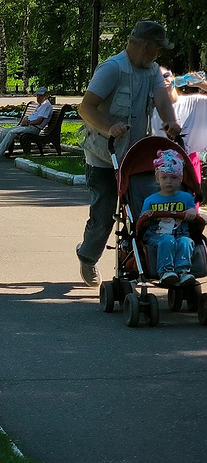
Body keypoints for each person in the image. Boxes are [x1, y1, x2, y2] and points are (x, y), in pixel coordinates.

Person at [76, 20, 182, 287]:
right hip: (103, 156)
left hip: (135, 157)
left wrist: (170, 123)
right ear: (146, 46)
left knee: (143, 212)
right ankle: (88, 256)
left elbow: (161, 101)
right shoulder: (112, 69)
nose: (160, 54)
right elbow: (86, 108)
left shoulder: (152, 71)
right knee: (103, 218)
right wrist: (109, 127)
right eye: (158, 48)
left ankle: (139, 262)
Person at [139, 149, 198, 286]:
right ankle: (165, 271)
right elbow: (142, 220)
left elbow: (193, 212)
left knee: (186, 242)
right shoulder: (151, 200)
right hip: (156, 236)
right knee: (167, 240)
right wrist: (146, 215)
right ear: (157, 179)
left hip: (181, 234)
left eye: (173, 178)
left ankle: (183, 271)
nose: (169, 181)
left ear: (180, 179)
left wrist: (191, 212)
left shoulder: (186, 198)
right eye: (164, 178)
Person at [151, 67, 207, 176]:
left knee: (191, 193)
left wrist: (202, 84)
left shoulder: (194, 101)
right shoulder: (152, 111)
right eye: (158, 79)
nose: (163, 80)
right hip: (164, 166)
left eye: (166, 76)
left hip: (190, 162)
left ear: (173, 77)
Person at [0, 87, 53, 160]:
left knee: (12, 132)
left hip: (34, 129)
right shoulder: (41, 105)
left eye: (41, 96)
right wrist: (25, 119)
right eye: (37, 95)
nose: (38, 97)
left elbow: (38, 121)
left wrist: (27, 123)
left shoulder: (46, 106)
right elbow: (33, 117)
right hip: (28, 126)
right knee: (4, 131)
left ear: (46, 96)